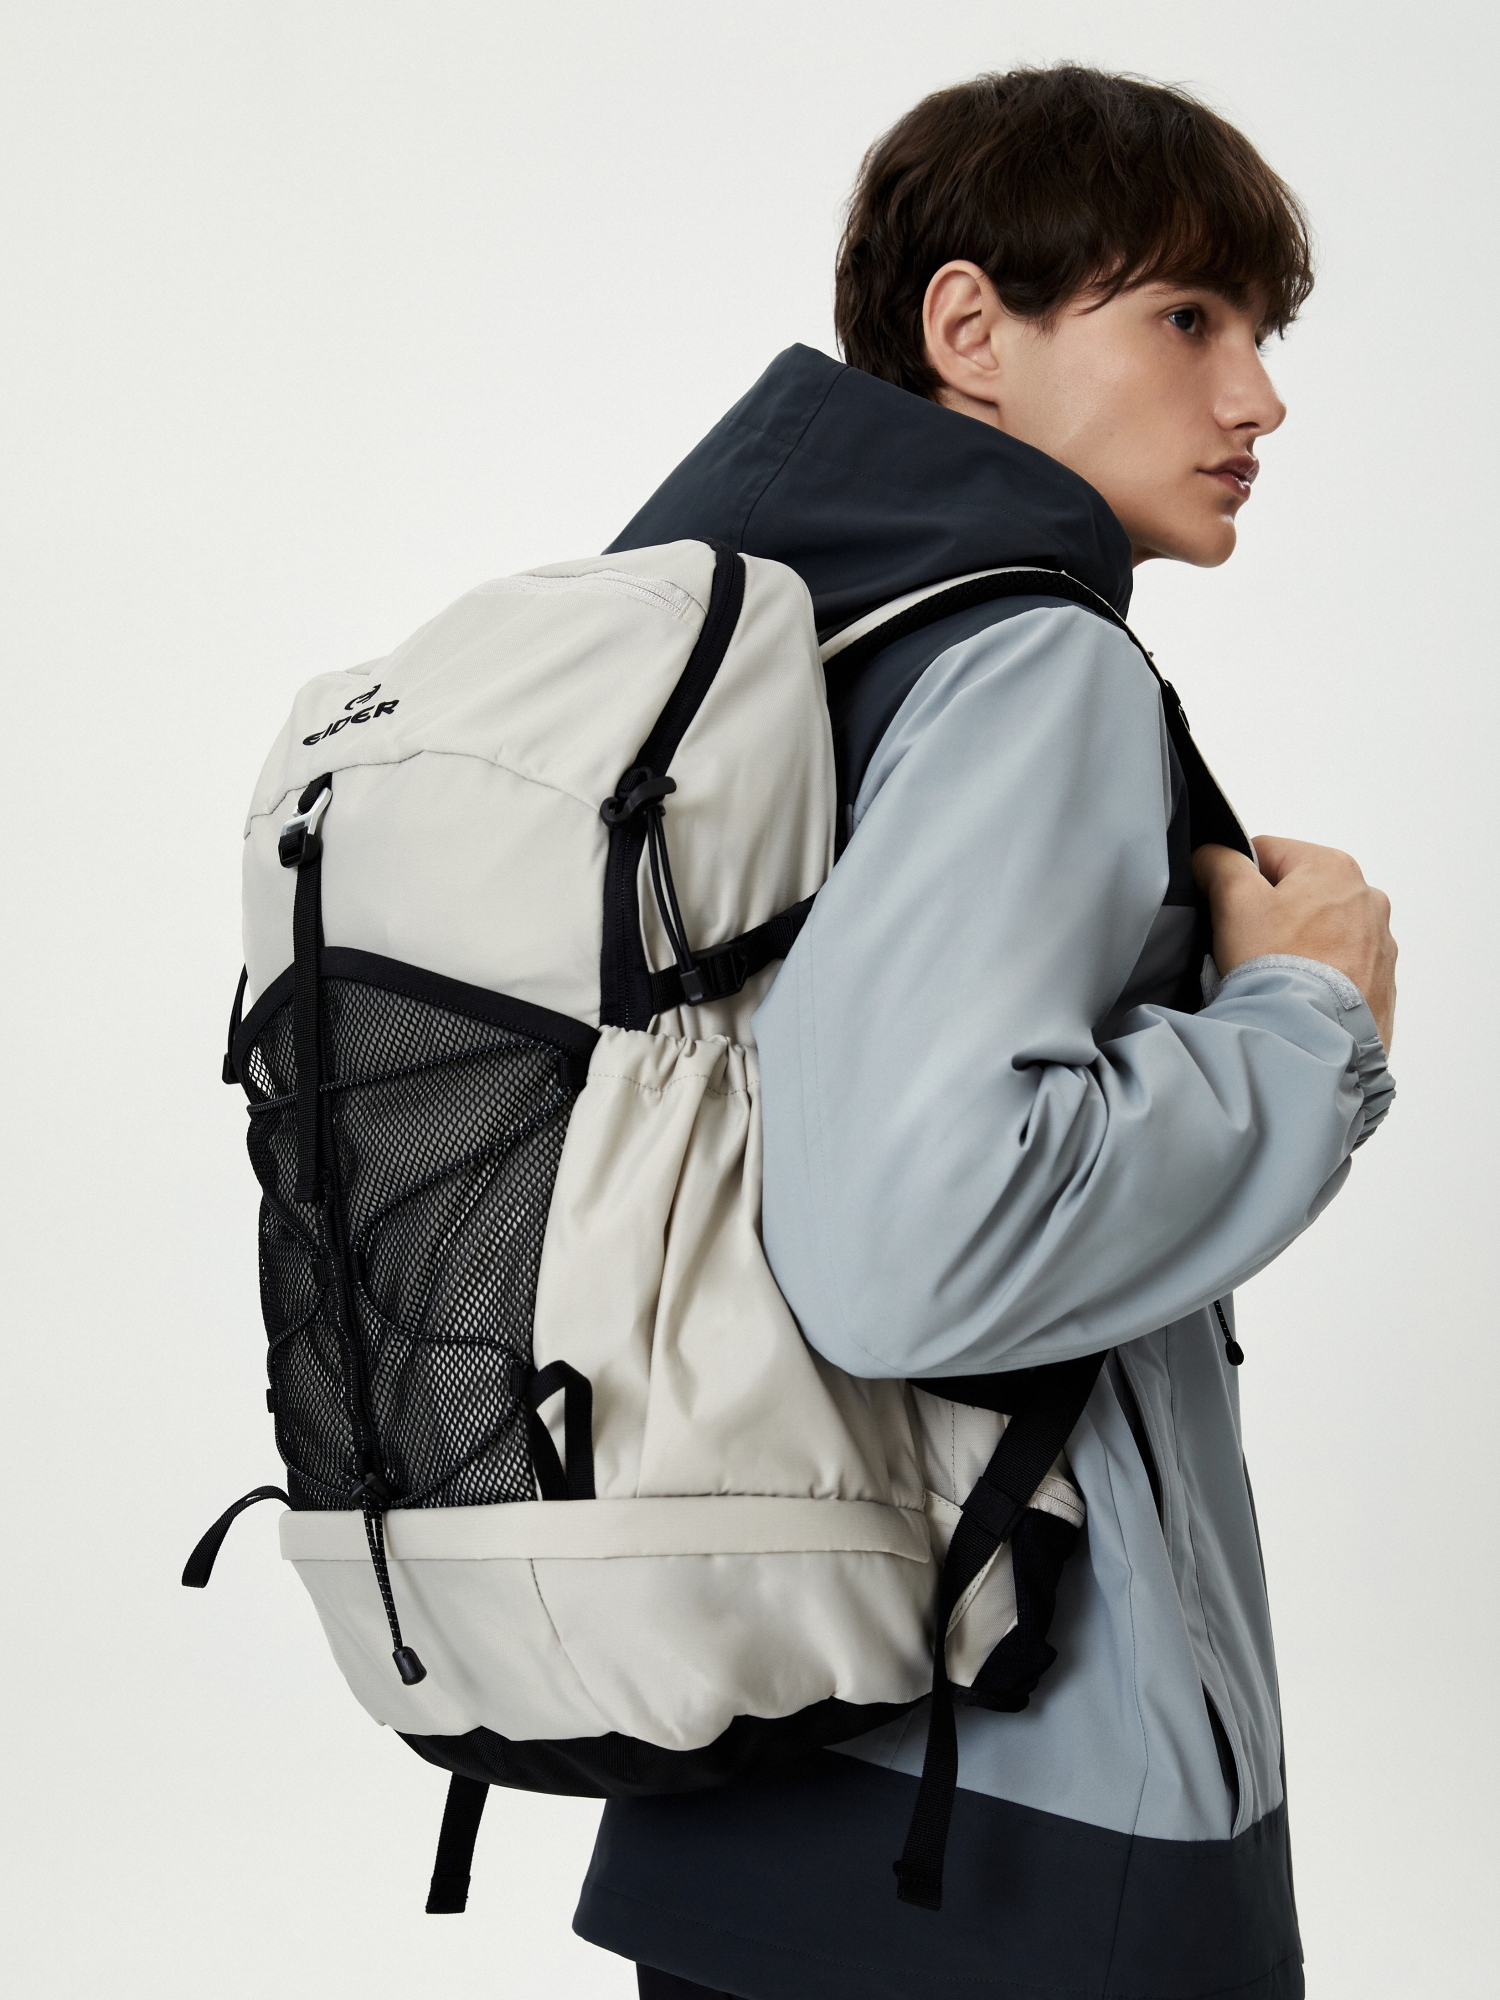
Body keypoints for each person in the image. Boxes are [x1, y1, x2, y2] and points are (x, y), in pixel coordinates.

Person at [572, 65, 1397, 2000]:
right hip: (1022, 1794)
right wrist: (1311, 1013)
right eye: (1185, 318)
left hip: (737, 1726)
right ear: (969, 329)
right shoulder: (1032, 659)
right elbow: (918, 1247)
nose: (1258, 398)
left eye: (1261, 333)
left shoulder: (758, 654)